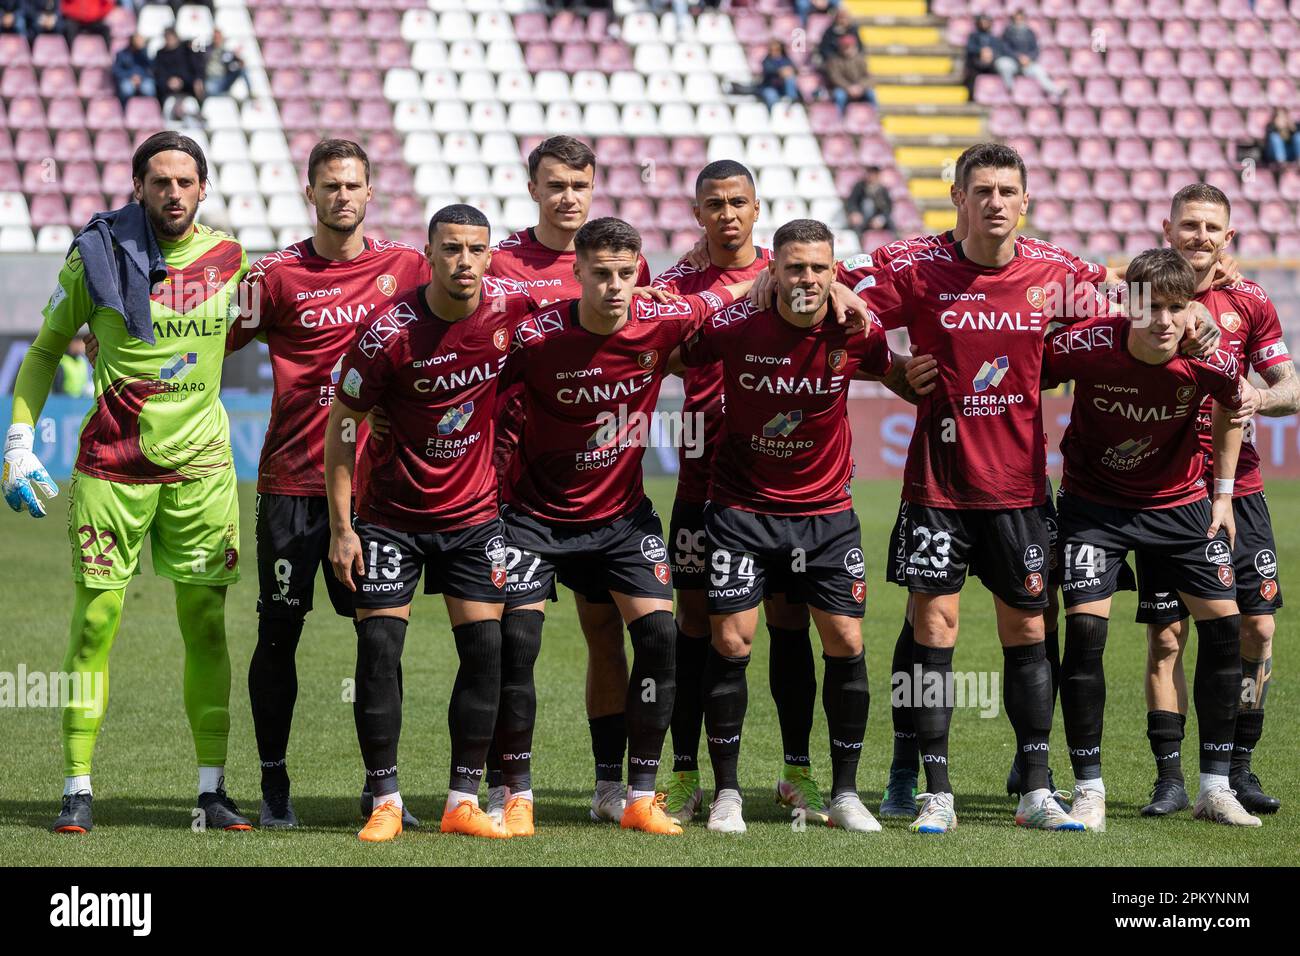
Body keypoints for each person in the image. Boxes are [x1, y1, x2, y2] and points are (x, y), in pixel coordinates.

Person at [3, 131, 252, 834]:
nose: (173, 193)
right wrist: (19, 444)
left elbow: (290, 333)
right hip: (112, 468)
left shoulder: (231, 259)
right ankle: (77, 786)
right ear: (137, 187)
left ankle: (210, 791)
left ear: (203, 189)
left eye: (185, 182)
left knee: (204, 625)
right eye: (160, 181)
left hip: (202, 470)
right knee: (95, 625)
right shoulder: (96, 256)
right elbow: (47, 349)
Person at [495, 217, 754, 836]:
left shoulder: (661, 321)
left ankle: (634, 793)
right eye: (600, 274)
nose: (613, 286)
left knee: (662, 637)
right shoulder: (534, 337)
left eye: (623, 275)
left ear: (638, 275)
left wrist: (813, 284)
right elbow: (477, 388)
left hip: (619, 519)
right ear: (577, 272)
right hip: (536, 518)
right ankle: (516, 793)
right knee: (517, 647)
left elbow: (732, 292)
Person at [682, 219, 921, 834]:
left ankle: (844, 794)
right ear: (774, 270)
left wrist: (933, 382)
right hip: (741, 510)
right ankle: (728, 794)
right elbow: (672, 347)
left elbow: (891, 372)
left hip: (826, 516)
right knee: (731, 643)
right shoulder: (738, 324)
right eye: (794, 267)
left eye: (819, 268)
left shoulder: (853, 327)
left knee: (844, 640)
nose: (807, 279)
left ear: (834, 271)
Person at [225, 139, 430, 829]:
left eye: (353, 185)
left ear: (371, 193)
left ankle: (382, 789)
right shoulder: (276, 275)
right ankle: (274, 781)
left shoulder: (407, 268)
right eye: (329, 185)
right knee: (279, 634)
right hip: (291, 484)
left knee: (379, 638)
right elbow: (204, 340)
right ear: (309, 193)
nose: (342, 195)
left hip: (375, 495)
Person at [324, 205, 539, 842]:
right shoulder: (388, 333)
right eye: (451, 250)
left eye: (477, 249)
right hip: (390, 518)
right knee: (379, 650)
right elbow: (341, 428)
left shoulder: (511, 310)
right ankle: (386, 800)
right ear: (431, 253)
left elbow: (586, 322)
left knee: (486, 651)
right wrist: (343, 529)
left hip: (473, 517)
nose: (465, 262)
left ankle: (460, 802)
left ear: (489, 254)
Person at [1044, 246, 1263, 829]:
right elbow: (1023, 374)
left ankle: (1214, 787)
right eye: (1150, 307)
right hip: (1096, 508)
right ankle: (1088, 790)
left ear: (1191, 308)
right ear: (1127, 302)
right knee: (1086, 636)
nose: (1162, 321)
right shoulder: (1085, 343)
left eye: (1175, 307)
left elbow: (1233, 407)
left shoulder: (1208, 357)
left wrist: (1222, 493)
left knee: (1226, 632)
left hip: (1181, 506)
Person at [482, 136, 652, 826]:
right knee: (511, 640)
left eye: (579, 185)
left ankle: (610, 786)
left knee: (606, 635)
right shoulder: (497, 266)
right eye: (555, 185)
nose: (568, 197)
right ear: (533, 188)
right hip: (517, 489)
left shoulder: (618, 264)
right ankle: (503, 785)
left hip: (606, 493)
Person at [1135, 184, 1298, 818]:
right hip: (1162, 487)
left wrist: (1254, 399)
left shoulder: (1249, 299)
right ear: (1166, 228)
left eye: (1213, 228)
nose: (1201, 236)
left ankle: (1239, 767)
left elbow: (1291, 386)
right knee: (1168, 636)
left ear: (1228, 237)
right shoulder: (1143, 294)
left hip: (1242, 488)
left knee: (1258, 627)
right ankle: (1170, 777)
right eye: (1190, 225)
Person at [997, 11, 1062, 99]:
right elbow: (1005, 48)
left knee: (1039, 70)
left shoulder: (1030, 33)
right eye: (1016, 19)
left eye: (1020, 18)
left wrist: (1029, 58)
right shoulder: (1008, 32)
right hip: (1013, 62)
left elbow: (1035, 50)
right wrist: (1018, 57)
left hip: (1027, 63)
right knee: (1003, 65)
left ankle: (1056, 91)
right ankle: (1010, 90)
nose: (1018, 21)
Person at [823, 30, 874, 114]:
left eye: (850, 47)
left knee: (870, 94)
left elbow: (870, 77)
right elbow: (835, 77)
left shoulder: (861, 60)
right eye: (845, 47)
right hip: (843, 88)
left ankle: (875, 116)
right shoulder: (834, 61)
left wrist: (860, 87)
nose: (848, 49)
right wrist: (848, 87)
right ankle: (839, 118)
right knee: (839, 95)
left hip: (859, 88)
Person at [154, 28, 202, 104]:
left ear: (176, 38)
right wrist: (168, 81)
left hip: (187, 85)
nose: (170, 41)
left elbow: (195, 67)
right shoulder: (161, 54)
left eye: (171, 38)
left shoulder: (187, 50)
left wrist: (185, 81)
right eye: (167, 38)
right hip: (168, 88)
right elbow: (159, 73)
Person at [844, 166, 894, 234]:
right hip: (861, 217)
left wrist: (881, 219)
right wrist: (854, 212)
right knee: (856, 226)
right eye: (870, 174)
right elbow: (852, 201)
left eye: (874, 174)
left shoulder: (883, 190)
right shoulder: (859, 186)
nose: (871, 177)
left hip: (876, 219)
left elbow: (888, 208)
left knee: (891, 225)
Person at [963, 15, 1004, 96]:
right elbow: (970, 48)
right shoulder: (973, 36)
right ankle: (972, 95)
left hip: (991, 62)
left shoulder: (994, 37)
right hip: (976, 62)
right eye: (982, 22)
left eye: (986, 22)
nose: (984, 24)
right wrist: (981, 51)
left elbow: (998, 49)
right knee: (972, 75)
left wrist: (990, 54)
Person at [199, 29, 246, 97]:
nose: (217, 39)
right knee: (210, 90)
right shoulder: (208, 50)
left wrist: (239, 60)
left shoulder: (226, 50)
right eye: (215, 37)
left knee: (243, 70)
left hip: (224, 78)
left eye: (218, 37)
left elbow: (234, 60)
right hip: (211, 78)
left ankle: (251, 93)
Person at [112, 34, 156, 105]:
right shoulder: (122, 54)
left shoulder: (144, 53)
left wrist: (141, 77)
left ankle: (148, 108)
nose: (140, 42)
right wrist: (130, 77)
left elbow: (151, 68)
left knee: (149, 88)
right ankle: (125, 109)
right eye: (138, 40)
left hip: (143, 79)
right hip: (128, 79)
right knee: (126, 89)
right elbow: (116, 70)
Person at [758, 40, 800, 110]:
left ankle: (791, 100)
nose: (774, 52)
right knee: (771, 97)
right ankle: (772, 115)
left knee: (791, 79)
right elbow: (768, 70)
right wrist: (780, 72)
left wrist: (789, 71)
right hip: (770, 87)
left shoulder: (786, 60)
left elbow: (794, 70)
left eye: (777, 49)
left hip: (783, 88)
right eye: (772, 50)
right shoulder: (767, 60)